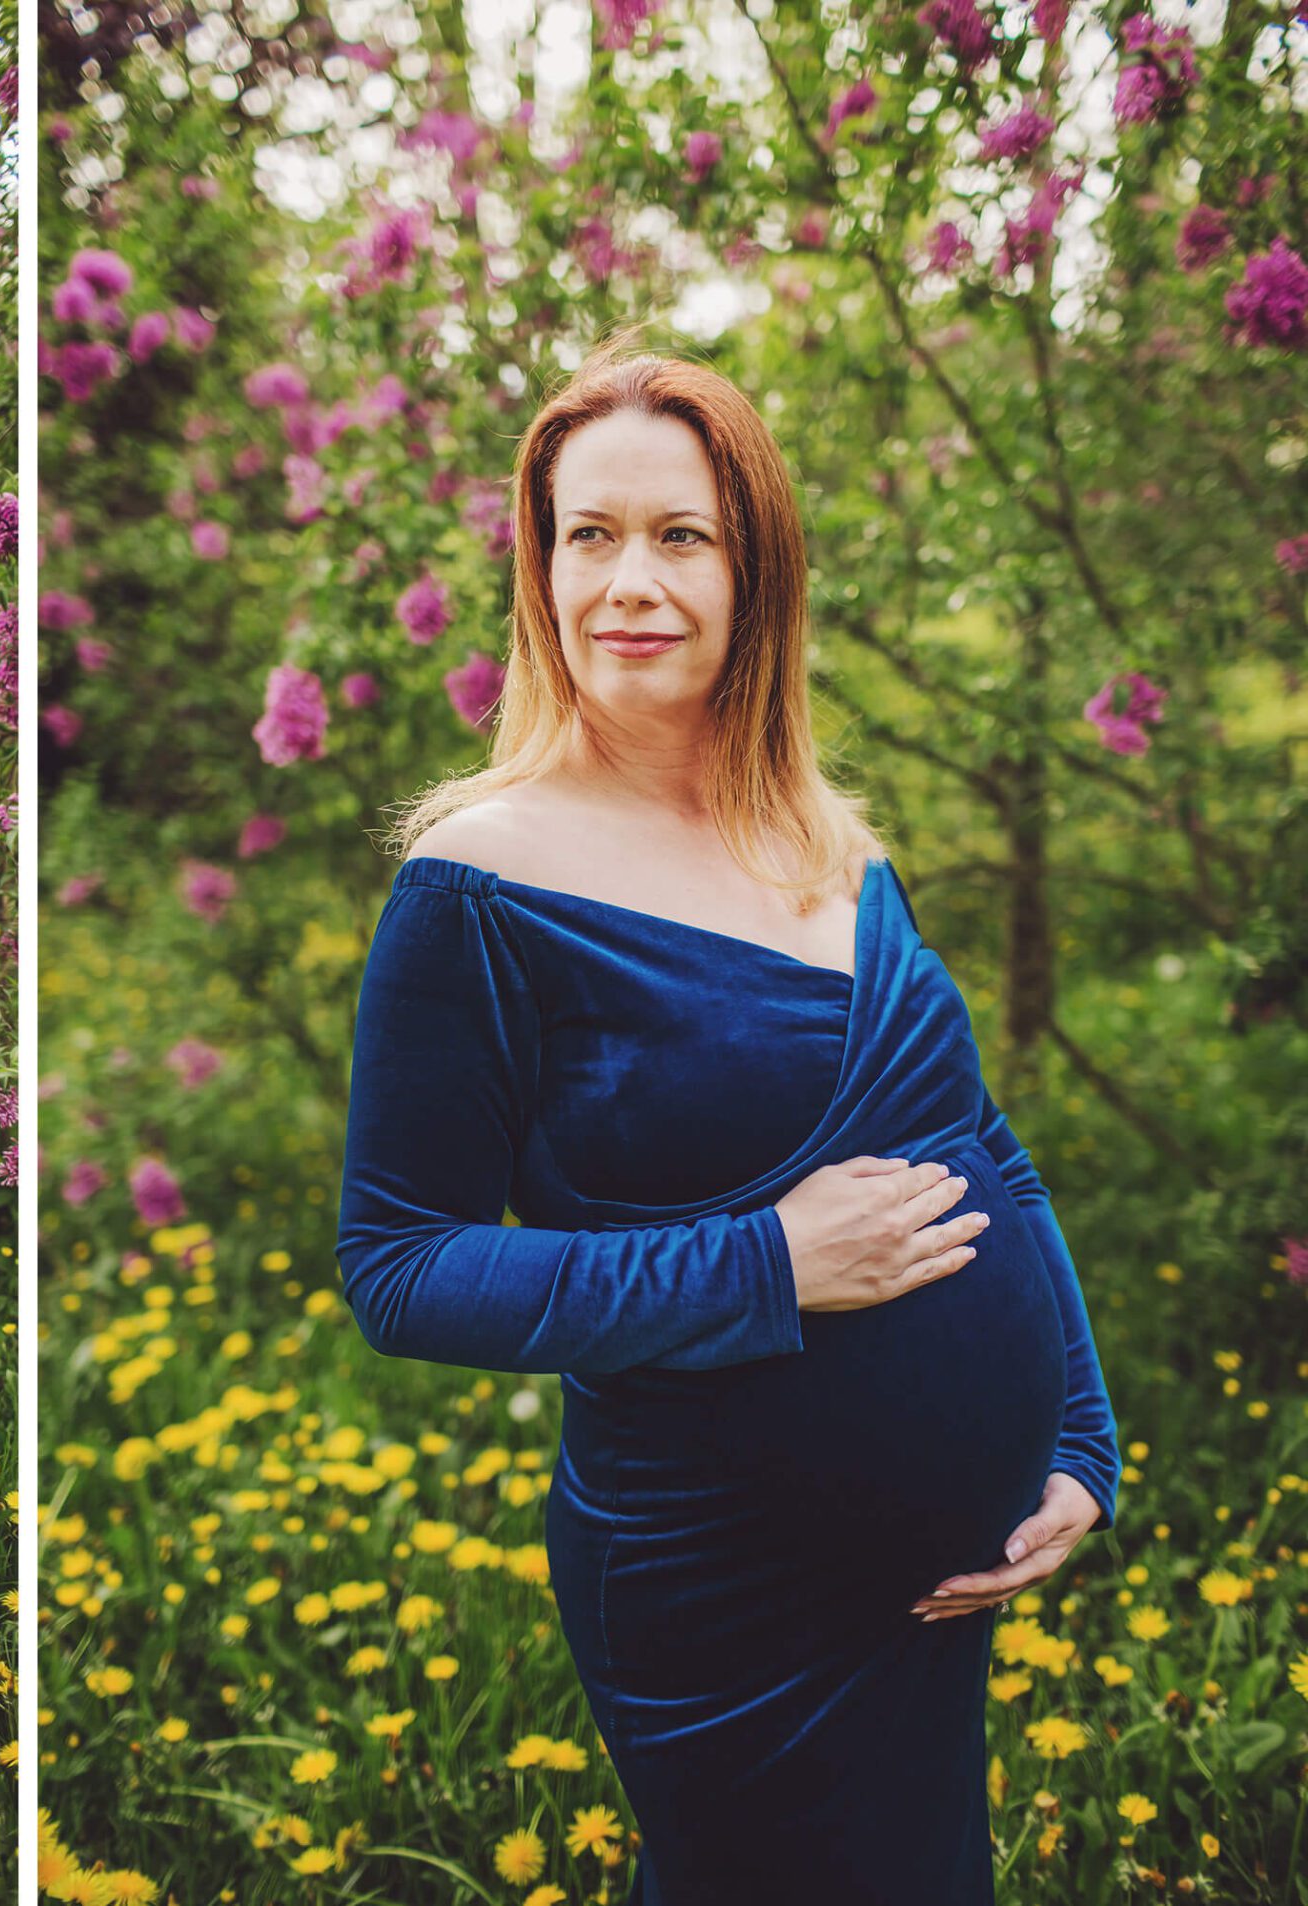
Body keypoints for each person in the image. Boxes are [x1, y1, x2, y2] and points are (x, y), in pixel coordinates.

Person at [334, 337, 1120, 1903]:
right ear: (542, 565)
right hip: (713, 1570)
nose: (632, 581)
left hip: (937, 1583)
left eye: (680, 535)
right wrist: (764, 1263)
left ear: (755, 567)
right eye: (591, 535)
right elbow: (398, 1264)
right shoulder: (480, 880)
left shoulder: (830, 842)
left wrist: (1082, 1437)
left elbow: (988, 1148)